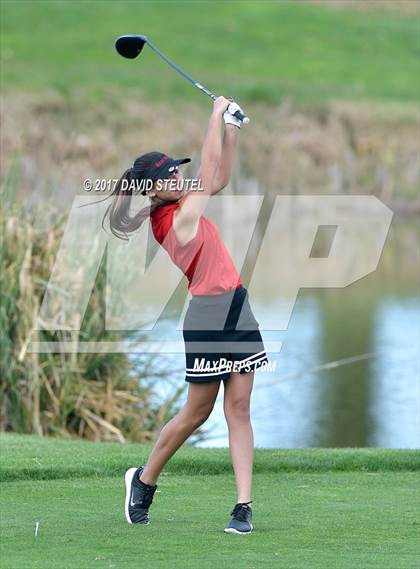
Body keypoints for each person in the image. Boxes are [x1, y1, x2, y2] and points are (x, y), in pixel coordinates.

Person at [103, 96, 268, 534]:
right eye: (168, 175)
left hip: (237, 305)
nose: (176, 177)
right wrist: (215, 115)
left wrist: (232, 129)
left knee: (240, 408)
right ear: (152, 190)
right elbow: (208, 170)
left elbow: (221, 175)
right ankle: (142, 480)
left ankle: (243, 508)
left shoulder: (184, 204)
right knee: (198, 412)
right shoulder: (173, 221)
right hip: (207, 316)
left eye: (176, 171)